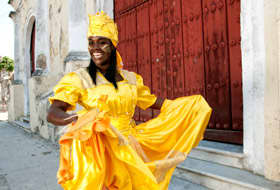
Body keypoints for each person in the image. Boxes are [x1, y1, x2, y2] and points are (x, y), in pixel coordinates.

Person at [47, 11, 212, 190]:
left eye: (102, 42)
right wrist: (76, 119)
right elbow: (54, 112)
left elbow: (154, 101)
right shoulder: (78, 78)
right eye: (91, 43)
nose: (95, 48)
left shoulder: (131, 79)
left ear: (113, 45)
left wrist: (185, 107)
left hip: (131, 145)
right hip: (100, 152)